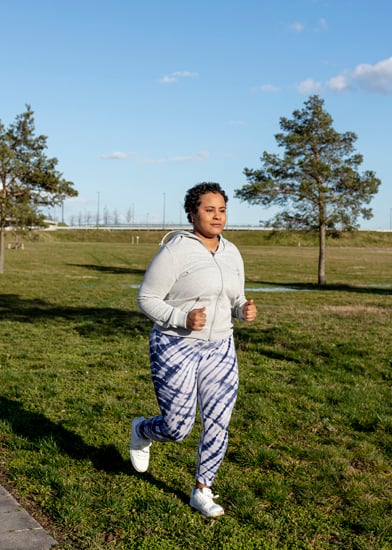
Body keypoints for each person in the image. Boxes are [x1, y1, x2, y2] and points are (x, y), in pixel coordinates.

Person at [131, 182, 257, 518]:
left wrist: (242, 309)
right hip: (175, 346)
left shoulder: (232, 252)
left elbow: (234, 297)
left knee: (219, 419)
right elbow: (146, 299)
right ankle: (142, 430)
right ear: (192, 213)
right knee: (178, 427)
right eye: (209, 210)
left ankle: (203, 489)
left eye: (222, 210)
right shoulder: (175, 251)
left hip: (220, 347)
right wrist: (181, 317)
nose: (217, 216)